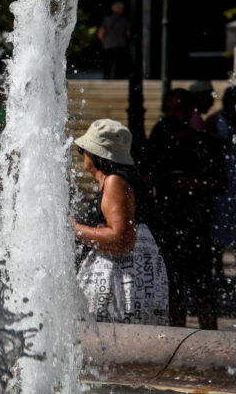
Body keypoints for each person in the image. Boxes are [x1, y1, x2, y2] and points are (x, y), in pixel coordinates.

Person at [143, 88, 226, 329]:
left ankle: (213, 345)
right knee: (172, 290)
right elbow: (146, 175)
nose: (171, 113)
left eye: (177, 107)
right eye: (168, 108)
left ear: (190, 110)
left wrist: (194, 183)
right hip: (166, 223)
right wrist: (161, 179)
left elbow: (221, 183)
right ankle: (176, 346)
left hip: (195, 224)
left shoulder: (203, 142)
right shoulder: (160, 136)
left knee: (203, 290)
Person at [72, 119, 169, 325]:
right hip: (133, 283)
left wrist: (74, 229)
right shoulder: (119, 179)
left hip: (123, 286)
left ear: (96, 154)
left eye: (84, 150)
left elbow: (122, 238)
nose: (83, 155)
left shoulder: (115, 181)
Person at [204, 86, 236, 282]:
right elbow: (207, 145)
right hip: (221, 175)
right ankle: (219, 270)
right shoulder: (215, 119)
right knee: (218, 225)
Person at [98, 1, 130, 79]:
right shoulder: (123, 20)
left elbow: (101, 32)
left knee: (107, 62)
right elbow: (128, 33)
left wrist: (103, 41)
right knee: (119, 62)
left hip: (108, 44)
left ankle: (107, 77)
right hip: (120, 44)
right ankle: (117, 77)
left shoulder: (107, 19)